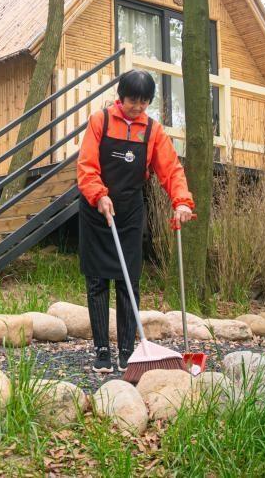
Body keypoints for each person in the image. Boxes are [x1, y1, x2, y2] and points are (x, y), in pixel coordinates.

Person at [76, 69, 195, 373]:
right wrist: (99, 195)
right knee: (97, 280)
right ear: (121, 97)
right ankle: (102, 350)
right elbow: (86, 166)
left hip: (129, 211)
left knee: (129, 280)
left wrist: (181, 201)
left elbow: (171, 169)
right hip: (97, 209)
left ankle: (128, 351)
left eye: (144, 102)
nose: (138, 107)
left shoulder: (152, 130)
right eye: (133, 101)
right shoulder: (100, 121)